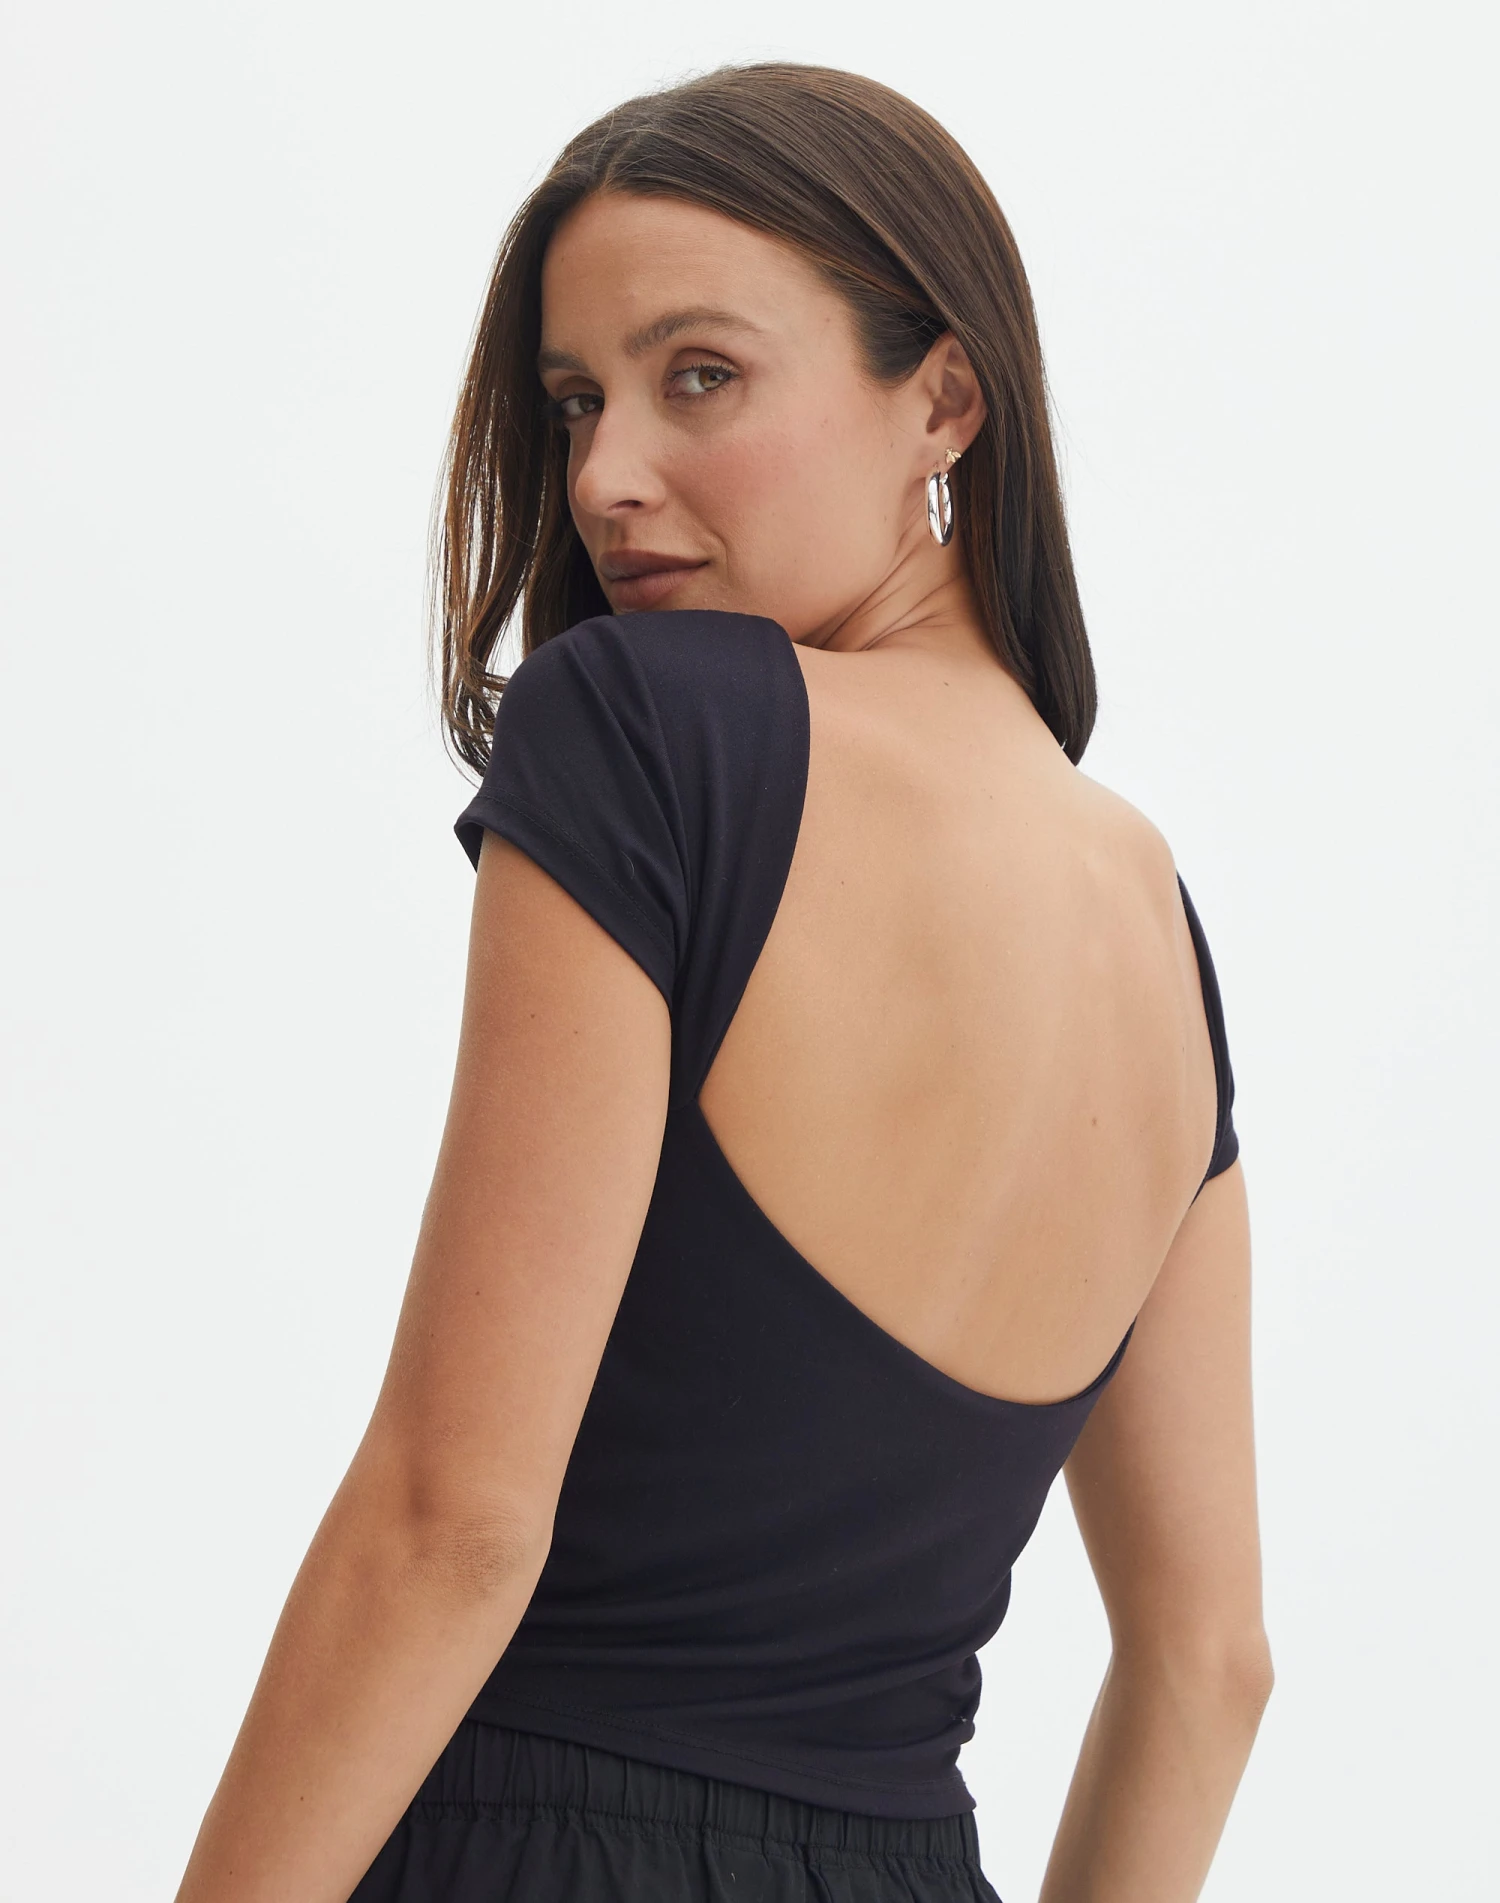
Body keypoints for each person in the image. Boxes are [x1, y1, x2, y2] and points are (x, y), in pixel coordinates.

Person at [173, 61, 1271, 1903]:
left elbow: (452, 1527)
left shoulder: (657, 729)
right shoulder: (1151, 914)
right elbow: (1210, 1662)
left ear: (945, 399)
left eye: (699, 376)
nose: (606, 476)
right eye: (575, 401)